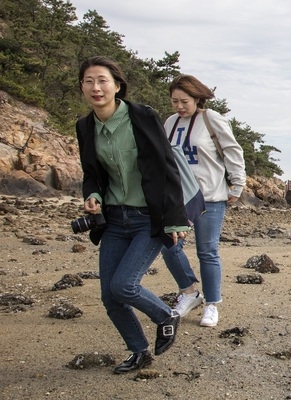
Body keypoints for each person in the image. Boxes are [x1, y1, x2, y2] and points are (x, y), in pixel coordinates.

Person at [75, 56, 190, 374]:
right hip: (113, 220)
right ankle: (139, 351)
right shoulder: (85, 126)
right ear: (82, 87)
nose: (96, 87)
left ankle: (166, 316)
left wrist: (176, 217)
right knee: (110, 297)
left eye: (102, 80)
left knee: (124, 285)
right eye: (89, 81)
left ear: (117, 85)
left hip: (146, 219)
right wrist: (93, 195)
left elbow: (167, 165)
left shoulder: (142, 116)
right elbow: (91, 172)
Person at [162, 74, 246, 327]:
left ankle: (211, 304)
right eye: (174, 101)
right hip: (179, 198)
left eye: (184, 101)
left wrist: (238, 183)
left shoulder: (212, 119)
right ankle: (189, 291)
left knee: (207, 251)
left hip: (211, 196)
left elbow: (232, 151)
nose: (179, 106)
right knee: (169, 246)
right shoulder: (170, 123)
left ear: (197, 98)